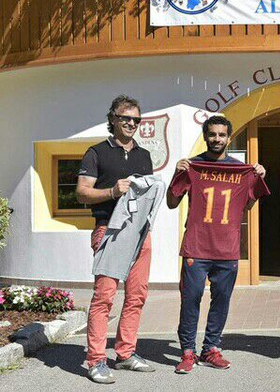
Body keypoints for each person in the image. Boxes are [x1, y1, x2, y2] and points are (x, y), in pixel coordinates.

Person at [167, 115, 268, 374]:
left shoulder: (240, 169)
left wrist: (257, 176)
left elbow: (248, 205)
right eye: (212, 134)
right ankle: (187, 352)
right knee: (191, 300)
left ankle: (210, 349)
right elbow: (171, 202)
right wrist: (176, 174)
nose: (217, 139)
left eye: (222, 135)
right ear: (205, 136)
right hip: (197, 246)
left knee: (221, 300)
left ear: (229, 138)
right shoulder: (193, 165)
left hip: (227, 247)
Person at [77, 95, 155, 384]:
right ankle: (96, 360)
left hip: (140, 233)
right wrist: (111, 192)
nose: (132, 123)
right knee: (104, 298)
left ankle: (125, 354)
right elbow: (82, 193)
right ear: (113, 119)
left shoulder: (144, 156)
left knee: (137, 296)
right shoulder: (96, 153)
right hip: (108, 230)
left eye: (136, 119)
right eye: (126, 118)